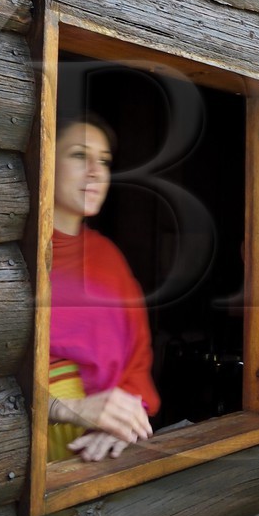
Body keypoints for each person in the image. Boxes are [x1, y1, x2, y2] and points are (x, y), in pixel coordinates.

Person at [47, 111, 159, 462]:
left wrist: (121, 420)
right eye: (79, 156)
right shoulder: (10, 254)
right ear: (45, 158)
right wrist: (70, 408)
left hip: (104, 442)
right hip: (29, 438)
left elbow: (137, 357)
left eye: (105, 161)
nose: (96, 171)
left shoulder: (108, 257)